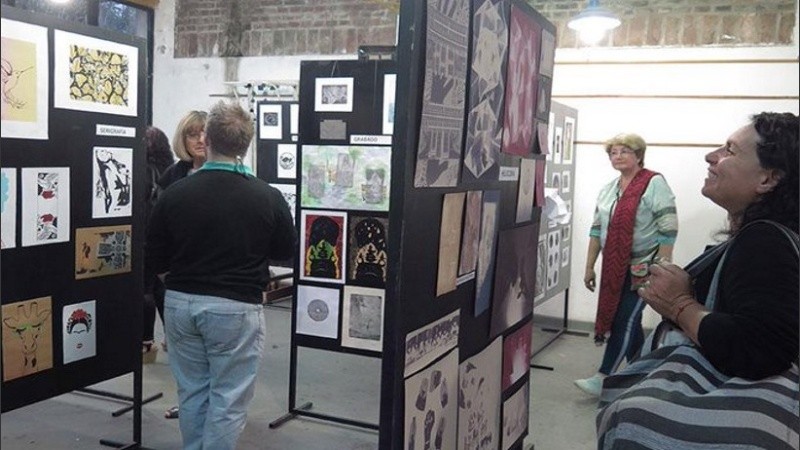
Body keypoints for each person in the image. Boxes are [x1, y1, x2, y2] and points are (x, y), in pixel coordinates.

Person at [597, 112, 799, 448]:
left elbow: (764, 346)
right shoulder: (763, 238)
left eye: (730, 150)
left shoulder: (764, 241)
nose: (711, 156)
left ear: (767, 179)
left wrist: (680, 305)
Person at [145, 101, 296, 450]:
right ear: (246, 144)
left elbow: (153, 255)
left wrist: (177, 282)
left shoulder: (175, 193)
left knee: (192, 392)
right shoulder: (268, 196)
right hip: (236, 307)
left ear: (208, 140)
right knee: (229, 398)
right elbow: (283, 249)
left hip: (181, 303)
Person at [574, 133, 678, 396]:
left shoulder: (653, 183)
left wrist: (662, 268)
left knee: (625, 319)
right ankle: (642, 372)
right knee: (630, 320)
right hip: (615, 268)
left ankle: (604, 375)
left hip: (645, 267)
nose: (617, 156)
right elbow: (596, 230)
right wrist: (589, 266)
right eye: (613, 153)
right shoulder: (609, 190)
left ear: (639, 155)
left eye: (624, 151)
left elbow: (668, 229)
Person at [142, 126, 174, 363]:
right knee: (162, 288)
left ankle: (145, 342)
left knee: (145, 290)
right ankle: (171, 338)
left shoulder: (141, 170)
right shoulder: (172, 170)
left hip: (145, 235)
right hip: (168, 236)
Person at [159, 110, 208, 187]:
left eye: (206, 135)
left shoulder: (224, 172)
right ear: (182, 140)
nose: (201, 140)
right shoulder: (172, 175)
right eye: (193, 135)